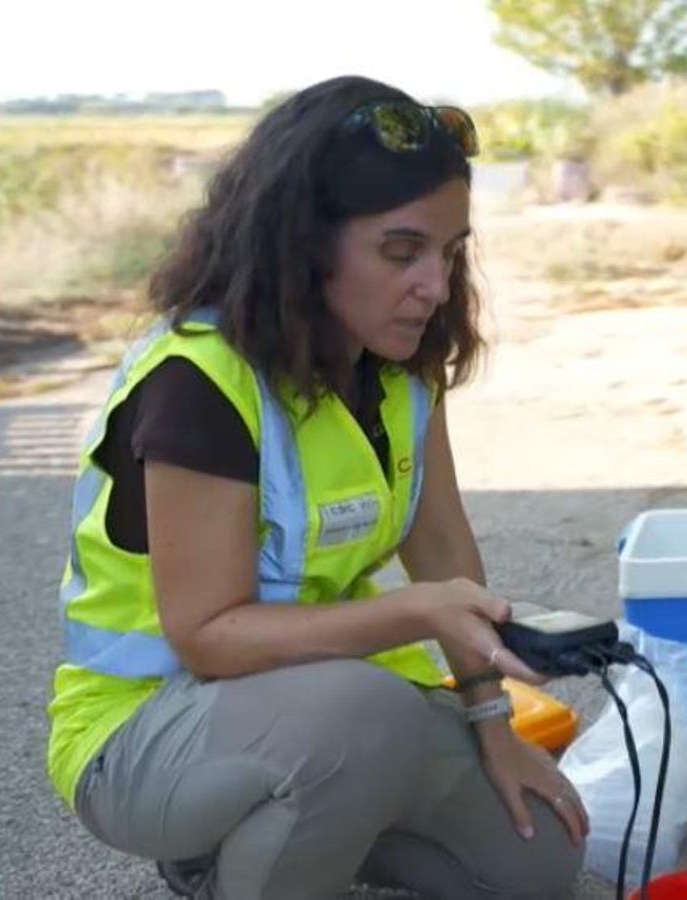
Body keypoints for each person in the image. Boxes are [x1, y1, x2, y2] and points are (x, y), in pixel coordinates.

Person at [45, 75, 587, 899]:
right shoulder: (200, 383)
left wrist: (491, 717)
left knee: (537, 859)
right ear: (302, 243)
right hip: (146, 732)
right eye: (401, 252)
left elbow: (440, 542)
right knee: (370, 716)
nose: (435, 287)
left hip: (321, 720)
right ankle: (223, 858)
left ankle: (296, 820)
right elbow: (209, 637)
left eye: (449, 252)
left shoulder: (402, 370)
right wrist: (416, 610)